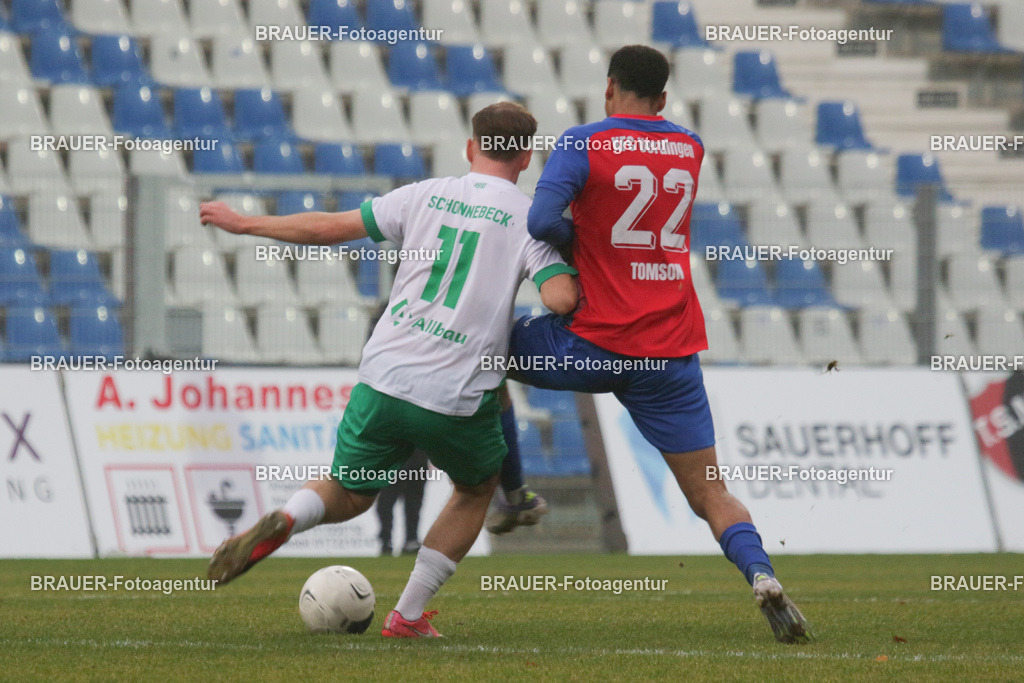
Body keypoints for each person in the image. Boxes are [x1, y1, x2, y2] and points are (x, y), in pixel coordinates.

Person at [200, 102, 578, 638]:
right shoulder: (528, 220)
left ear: (470, 148)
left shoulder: (421, 194)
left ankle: (290, 517)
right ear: (527, 157)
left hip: (383, 376)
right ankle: (409, 615)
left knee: (350, 492)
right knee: (475, 488)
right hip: (454, 392)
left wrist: (246, 223)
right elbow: (561, 299)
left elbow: (330, 227)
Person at [506, 45, 813, 644]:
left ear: (609, 87)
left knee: (481, 350)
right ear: (665, 99)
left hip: (592, 343)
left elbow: (541, 223)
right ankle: (762, 576)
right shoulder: (688, 147)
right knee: (711, 493)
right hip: (670, 354)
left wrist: (581, 240)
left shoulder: (581, 142)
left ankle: (509, 494)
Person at [375, 450, 428, 556]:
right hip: (395, 463)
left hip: (415, 462)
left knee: (413, 505)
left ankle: (411, 540)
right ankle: (387, 540)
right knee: (385, 503)